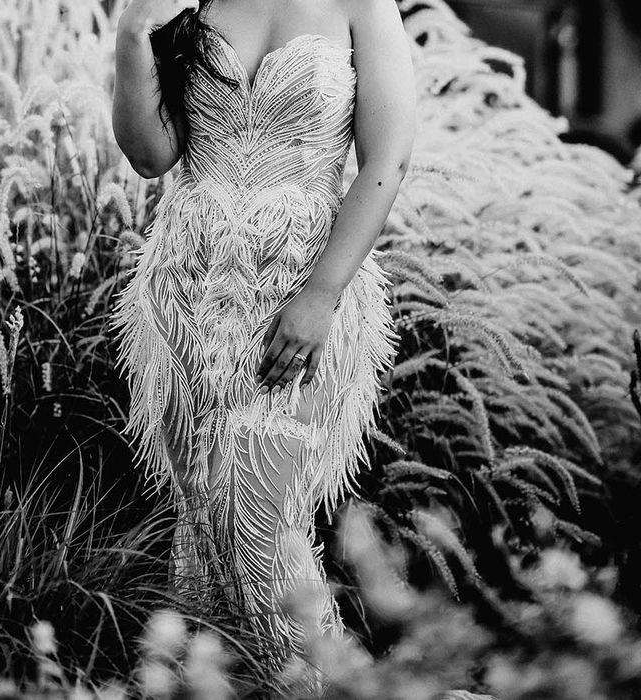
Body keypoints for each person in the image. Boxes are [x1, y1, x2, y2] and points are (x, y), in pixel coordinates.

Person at [110, 0, 416, 673]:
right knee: (201, 536)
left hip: (300, 286)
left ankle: (321, 686)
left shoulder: (362, 4)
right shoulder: (195, 0)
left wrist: (323, 292)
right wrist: (134, 34)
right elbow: (150, 154)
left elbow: (386, 159)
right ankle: (202, 685)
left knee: (262, 530)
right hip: (187, 288)